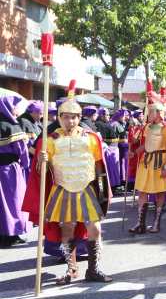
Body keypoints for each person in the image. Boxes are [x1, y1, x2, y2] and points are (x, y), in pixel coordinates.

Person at [27, 81, 112, 284]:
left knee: (95, 229)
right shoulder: (50, 141)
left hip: (86, 191)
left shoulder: (91, 138)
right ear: (59, 118)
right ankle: (71, 269)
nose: (70, 121)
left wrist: (102, 195)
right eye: (66, 117)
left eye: (74, 117)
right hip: (63, 190)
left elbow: (100, 169)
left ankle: (94, 269)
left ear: (79, 118)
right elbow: (41, 174)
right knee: (67, 228)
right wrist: (41, 160)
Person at [129, 88, 166, 234]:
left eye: (151, 111)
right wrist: (134, 153)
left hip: (160, 162)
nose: (149, 114)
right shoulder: (146, 127)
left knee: (159, 193)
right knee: (142, 191)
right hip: (146, 162)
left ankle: (156, 223)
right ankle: (140, 223)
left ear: (159, 113)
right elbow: (145, 147)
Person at [0, 96, 30, 247]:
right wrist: (25, 164)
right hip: (9, 171)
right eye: (15, 107)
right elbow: (22, 152)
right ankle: (12, 234)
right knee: (13, 202)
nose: (17, 110)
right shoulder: (13, 127)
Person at [18, 100, 43, 167]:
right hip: (28, 157)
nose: (41, 116)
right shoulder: (23, 121)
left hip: (36, 155)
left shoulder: (37, 123)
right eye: (40, 113)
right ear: (33, 112)